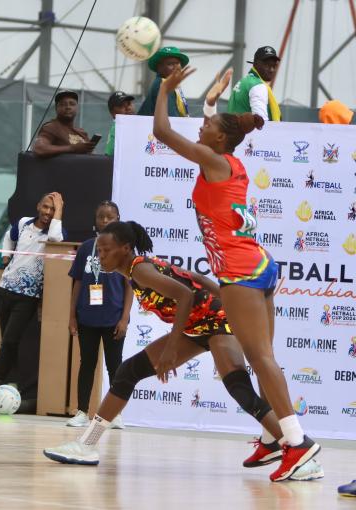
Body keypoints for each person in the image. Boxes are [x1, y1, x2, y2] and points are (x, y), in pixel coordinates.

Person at [43, 222, 323, 481]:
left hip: (218, 322)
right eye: (98, 251)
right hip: (198, 327)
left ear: (125, 249)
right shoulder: (137, 271)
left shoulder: (140, 270)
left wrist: (174, 346)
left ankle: (296, 448)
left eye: (105, 250)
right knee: (129, 371)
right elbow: (193, 277)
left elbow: (185, 294)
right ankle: (87, 445)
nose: (100, 256)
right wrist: (219, 297)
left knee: (238, 387)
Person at [152, 65, 320, 482]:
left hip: (241, 272)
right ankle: (273, 435)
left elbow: (161, 132)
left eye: (207, 123)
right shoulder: (230, 162)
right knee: (266, 360)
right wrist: (212, 99)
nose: (202, 125)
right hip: (260, 265)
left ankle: (298, 444)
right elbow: (209, 123)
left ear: (220, 138)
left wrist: (163, 88)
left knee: (260, 359)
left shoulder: (212, 159)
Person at [0, 192, 66, 399]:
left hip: (29, 295)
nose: (48, 212)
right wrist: (5, 256)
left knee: (11, 340)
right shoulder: (23, 223)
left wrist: (60, 210)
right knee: (7, 341)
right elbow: (8, 237)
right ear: (38, 206)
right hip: (6, 288)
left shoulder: (56, 230)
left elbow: (57, 239)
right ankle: (7, 386)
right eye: (46, 207)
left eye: (53, 209)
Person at [67, 201, 132, 429]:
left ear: (118, 219)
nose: (105, 221)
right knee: (87, 364)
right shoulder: (86, 247)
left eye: (110, 217)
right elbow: (76, 282)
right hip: (87, 317)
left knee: (115, 366)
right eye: (101, 217)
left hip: (114, 318)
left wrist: (124, 318)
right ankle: (82, 412)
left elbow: (129, 286)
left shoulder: (124, 249)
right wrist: (72, 316)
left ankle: (115, 415)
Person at [32, 91, 96, 157]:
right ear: (56, 109)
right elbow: (39, 149)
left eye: (72, 104)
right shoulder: (51, 127)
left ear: (77, 108)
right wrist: (73, 148)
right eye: (63, 104)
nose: (68, 107)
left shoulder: (82, 132)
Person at [228, 46, 281, 122]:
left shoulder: (244, 81)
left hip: (234, 132)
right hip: (246, 133)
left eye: (274, 66)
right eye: (267, 65)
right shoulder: (258, 86)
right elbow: (261, 123)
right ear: (256, 64)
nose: (271, 70)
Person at [138, 46, 189, 117]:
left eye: (177, 63)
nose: (176, 67)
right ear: (159, 68)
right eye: (170, 64)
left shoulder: (172, 86)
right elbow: (171, 118)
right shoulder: (162, 85)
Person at [105, 92, 135, 156]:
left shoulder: (139, 126)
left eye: (129, 104)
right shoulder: (116, 129)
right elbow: (109, 156)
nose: (128, 108)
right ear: (113, 113)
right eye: (121, 106)